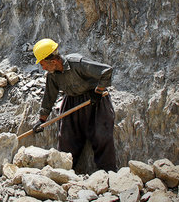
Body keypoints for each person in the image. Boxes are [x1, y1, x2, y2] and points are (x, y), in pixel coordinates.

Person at [32, 38, 117, 172]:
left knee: (102, 136)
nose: (42, 68)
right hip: (71, 102)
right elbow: (49, 97)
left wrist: (99, 91)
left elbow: (106, 71)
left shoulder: (78, 63)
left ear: (53, 61)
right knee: (66, 138)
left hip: (95, 100)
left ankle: (108, 173)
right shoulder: (52, 75)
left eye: (43, 64)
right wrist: (41, 120)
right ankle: (64, 173)